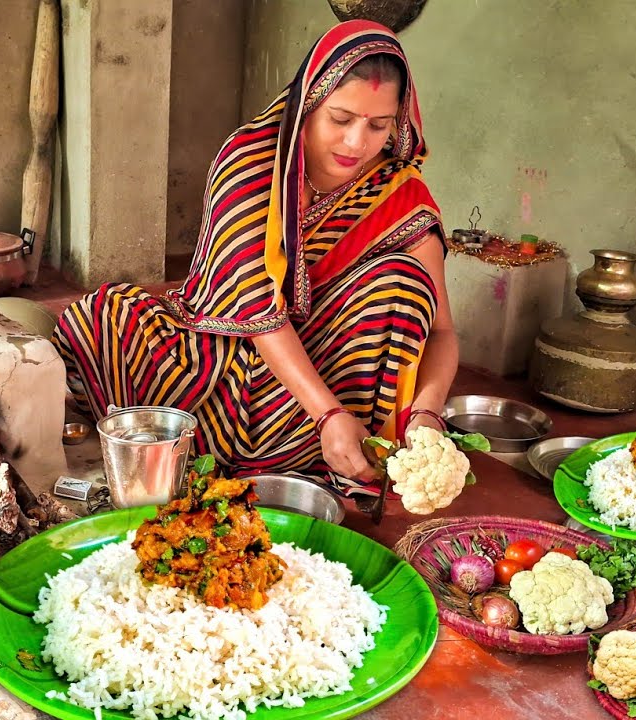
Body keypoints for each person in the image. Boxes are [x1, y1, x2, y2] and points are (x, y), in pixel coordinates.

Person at [52, 20, 457, 498]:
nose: (356, 143)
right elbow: (257, 316)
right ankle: (304, 441)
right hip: (215, 352)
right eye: (341, 119)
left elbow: (443, 332)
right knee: (99, 318)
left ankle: (329, 444)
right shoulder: (251, 162)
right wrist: (325, 413)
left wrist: (426, 415)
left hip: (325, 359)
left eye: (378, 125)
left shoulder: (398, 193)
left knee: (403, 280)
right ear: (306, 105)